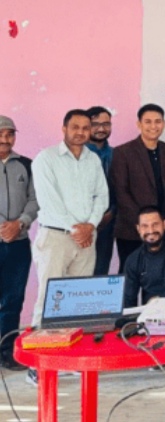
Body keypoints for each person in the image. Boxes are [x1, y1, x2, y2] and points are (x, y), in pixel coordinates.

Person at [31, 109, 108, 326]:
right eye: (75, 127)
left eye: (85, 128)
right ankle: (40, 346)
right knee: (49, 298)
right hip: (56, 237)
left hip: (87, 239)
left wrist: (90, 225)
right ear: (64, 128)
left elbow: (102, 196)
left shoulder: (92, 159)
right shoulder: (46, 159)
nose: (80, 132)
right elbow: (49, 201)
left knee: (78, 300)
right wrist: (77, 229)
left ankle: (72, 346)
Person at [111, 104, 165, 272]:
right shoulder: (122, 152)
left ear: (163, 124)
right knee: (130, 276)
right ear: (139, 124)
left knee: (162, 276)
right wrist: (146, 224)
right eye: (148, 122)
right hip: (131, 230)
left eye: (158, 121)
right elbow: (121, 192)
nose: (153, 126)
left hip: (164, 229)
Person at [0, 115, 37, 371]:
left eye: (10, 134)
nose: (5, 139)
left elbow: (35, 200)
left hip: (18, 243)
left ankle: (7, 351)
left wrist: (20, 223)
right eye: (1, 134)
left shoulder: (26, 164)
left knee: (13, 299)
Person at [86, 106, 116, 275]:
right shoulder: (77, 154)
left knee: (101, 271)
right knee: (78, 274)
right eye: (95, 124)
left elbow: (120, 187)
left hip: (107, 223)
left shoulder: (117, 154)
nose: (101, 129)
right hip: (81, 223)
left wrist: (111, 212)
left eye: (106, 124)